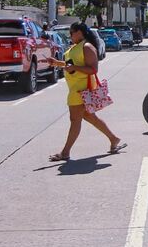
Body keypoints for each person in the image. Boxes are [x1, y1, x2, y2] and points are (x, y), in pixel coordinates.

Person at [48, 22, 126, 162]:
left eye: (72, 32)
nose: (70, 35)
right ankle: (114, 139)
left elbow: (93, 69)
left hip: (81, 90)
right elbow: (70, 65)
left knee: (74, 120)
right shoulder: (76, 47)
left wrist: (75, 67)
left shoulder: (87, 47)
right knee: (90, 118)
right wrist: (56, 63)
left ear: (79, 32)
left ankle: (65, 152)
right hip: (76, 88)